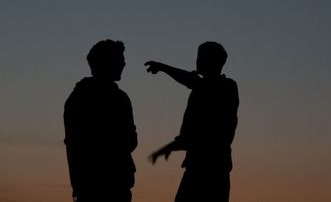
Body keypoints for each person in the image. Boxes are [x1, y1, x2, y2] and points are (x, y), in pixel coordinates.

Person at [145, 41, 239, 202]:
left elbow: (206, 133)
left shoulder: (225, 87)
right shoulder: (201, 89)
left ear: (214, 62)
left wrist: (162, 67)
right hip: (198, 163)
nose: (197, 62)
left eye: (201, 58)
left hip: (212, 167)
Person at [64, 40, 137, 202]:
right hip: (107, 184)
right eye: (120, 59)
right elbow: (130, 141)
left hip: (91, 185)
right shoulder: (119, 98)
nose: (124, 63)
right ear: (107, 63)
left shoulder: (76, 98)